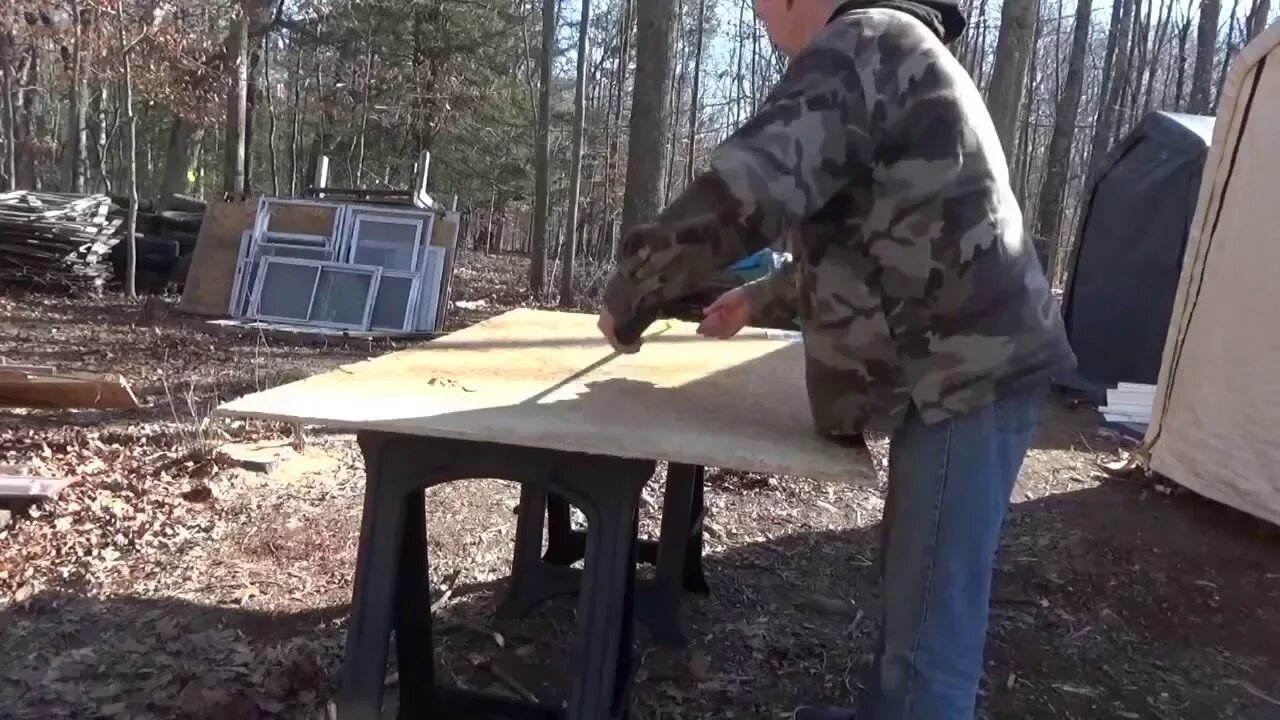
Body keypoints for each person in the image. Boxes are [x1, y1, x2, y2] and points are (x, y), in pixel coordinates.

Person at [596, 0, 1077, 718]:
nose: (760, 18)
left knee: (931, 636)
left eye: (762, 7)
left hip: (966, 370)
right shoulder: (890, 46)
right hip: (967, 359)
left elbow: (746, 190)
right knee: (915, 586)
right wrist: (761, 300)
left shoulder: (860, 43)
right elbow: (880, 234)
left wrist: (634, 286)